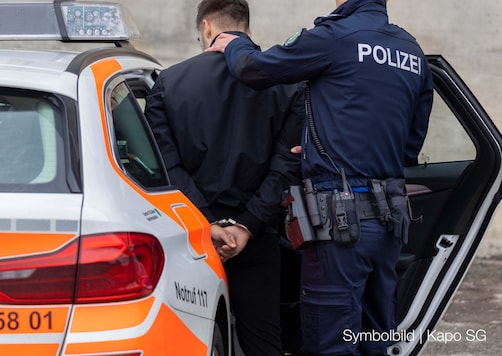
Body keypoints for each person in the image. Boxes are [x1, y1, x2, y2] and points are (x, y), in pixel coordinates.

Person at [206, 0, 433, 355]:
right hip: (388, 222)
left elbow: (253, 68)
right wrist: (322, 147)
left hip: (340, 227)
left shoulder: (335, 36)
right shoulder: (410, 50)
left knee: (330, 342)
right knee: (376, 337)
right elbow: (409, 146)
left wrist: (233, 42)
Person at [144, 0, 305, 354]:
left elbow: (167, 168)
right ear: (247, 27)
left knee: (192, 340)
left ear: (205, 27)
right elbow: (286, 166)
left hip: (190, 239)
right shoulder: (287, 85)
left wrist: (208, 223)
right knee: (264, 342)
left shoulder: (169, 83)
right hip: (258, 235)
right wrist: (246, 225)